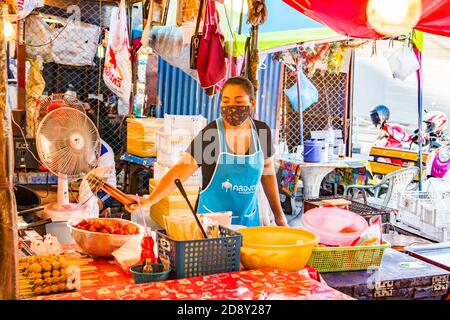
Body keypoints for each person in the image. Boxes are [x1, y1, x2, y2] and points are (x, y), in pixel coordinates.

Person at [130, 76, 288, 227]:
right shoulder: (211, 134)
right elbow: (178, 173)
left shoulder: (261, 132)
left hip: (248, 221)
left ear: (252, 104)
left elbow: (268, 175)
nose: (231, 107)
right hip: (212, 225)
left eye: (238, 101)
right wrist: (150, 200)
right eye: (226, 101)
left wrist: (280, 219)